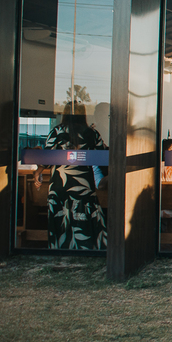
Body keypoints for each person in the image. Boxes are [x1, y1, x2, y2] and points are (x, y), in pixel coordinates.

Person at [45, 102, 108, 251]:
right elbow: (104, 156)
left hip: (59, 183)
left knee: (60, 215)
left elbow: (46, 159)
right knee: (84, 215)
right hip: (83, 183)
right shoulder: (91, 133)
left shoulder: (56, 132)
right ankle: (85, 247)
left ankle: (60, 248)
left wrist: (38, 171)